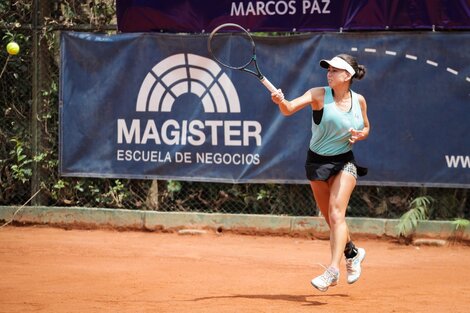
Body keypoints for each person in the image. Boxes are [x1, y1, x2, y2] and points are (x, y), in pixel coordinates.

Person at [271, 54, 370, 292]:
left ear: (347, 75)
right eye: (328, 70)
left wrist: (361, 134)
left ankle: (333, 271)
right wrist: (280, 101)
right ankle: (353, 253)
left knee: (337, 214)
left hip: (344, 162)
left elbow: (366, 126)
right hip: (316, 163)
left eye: (335, 70)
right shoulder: (318, 94)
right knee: (330, 218)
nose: (329, 73)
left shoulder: (360, 101)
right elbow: (289, 109)